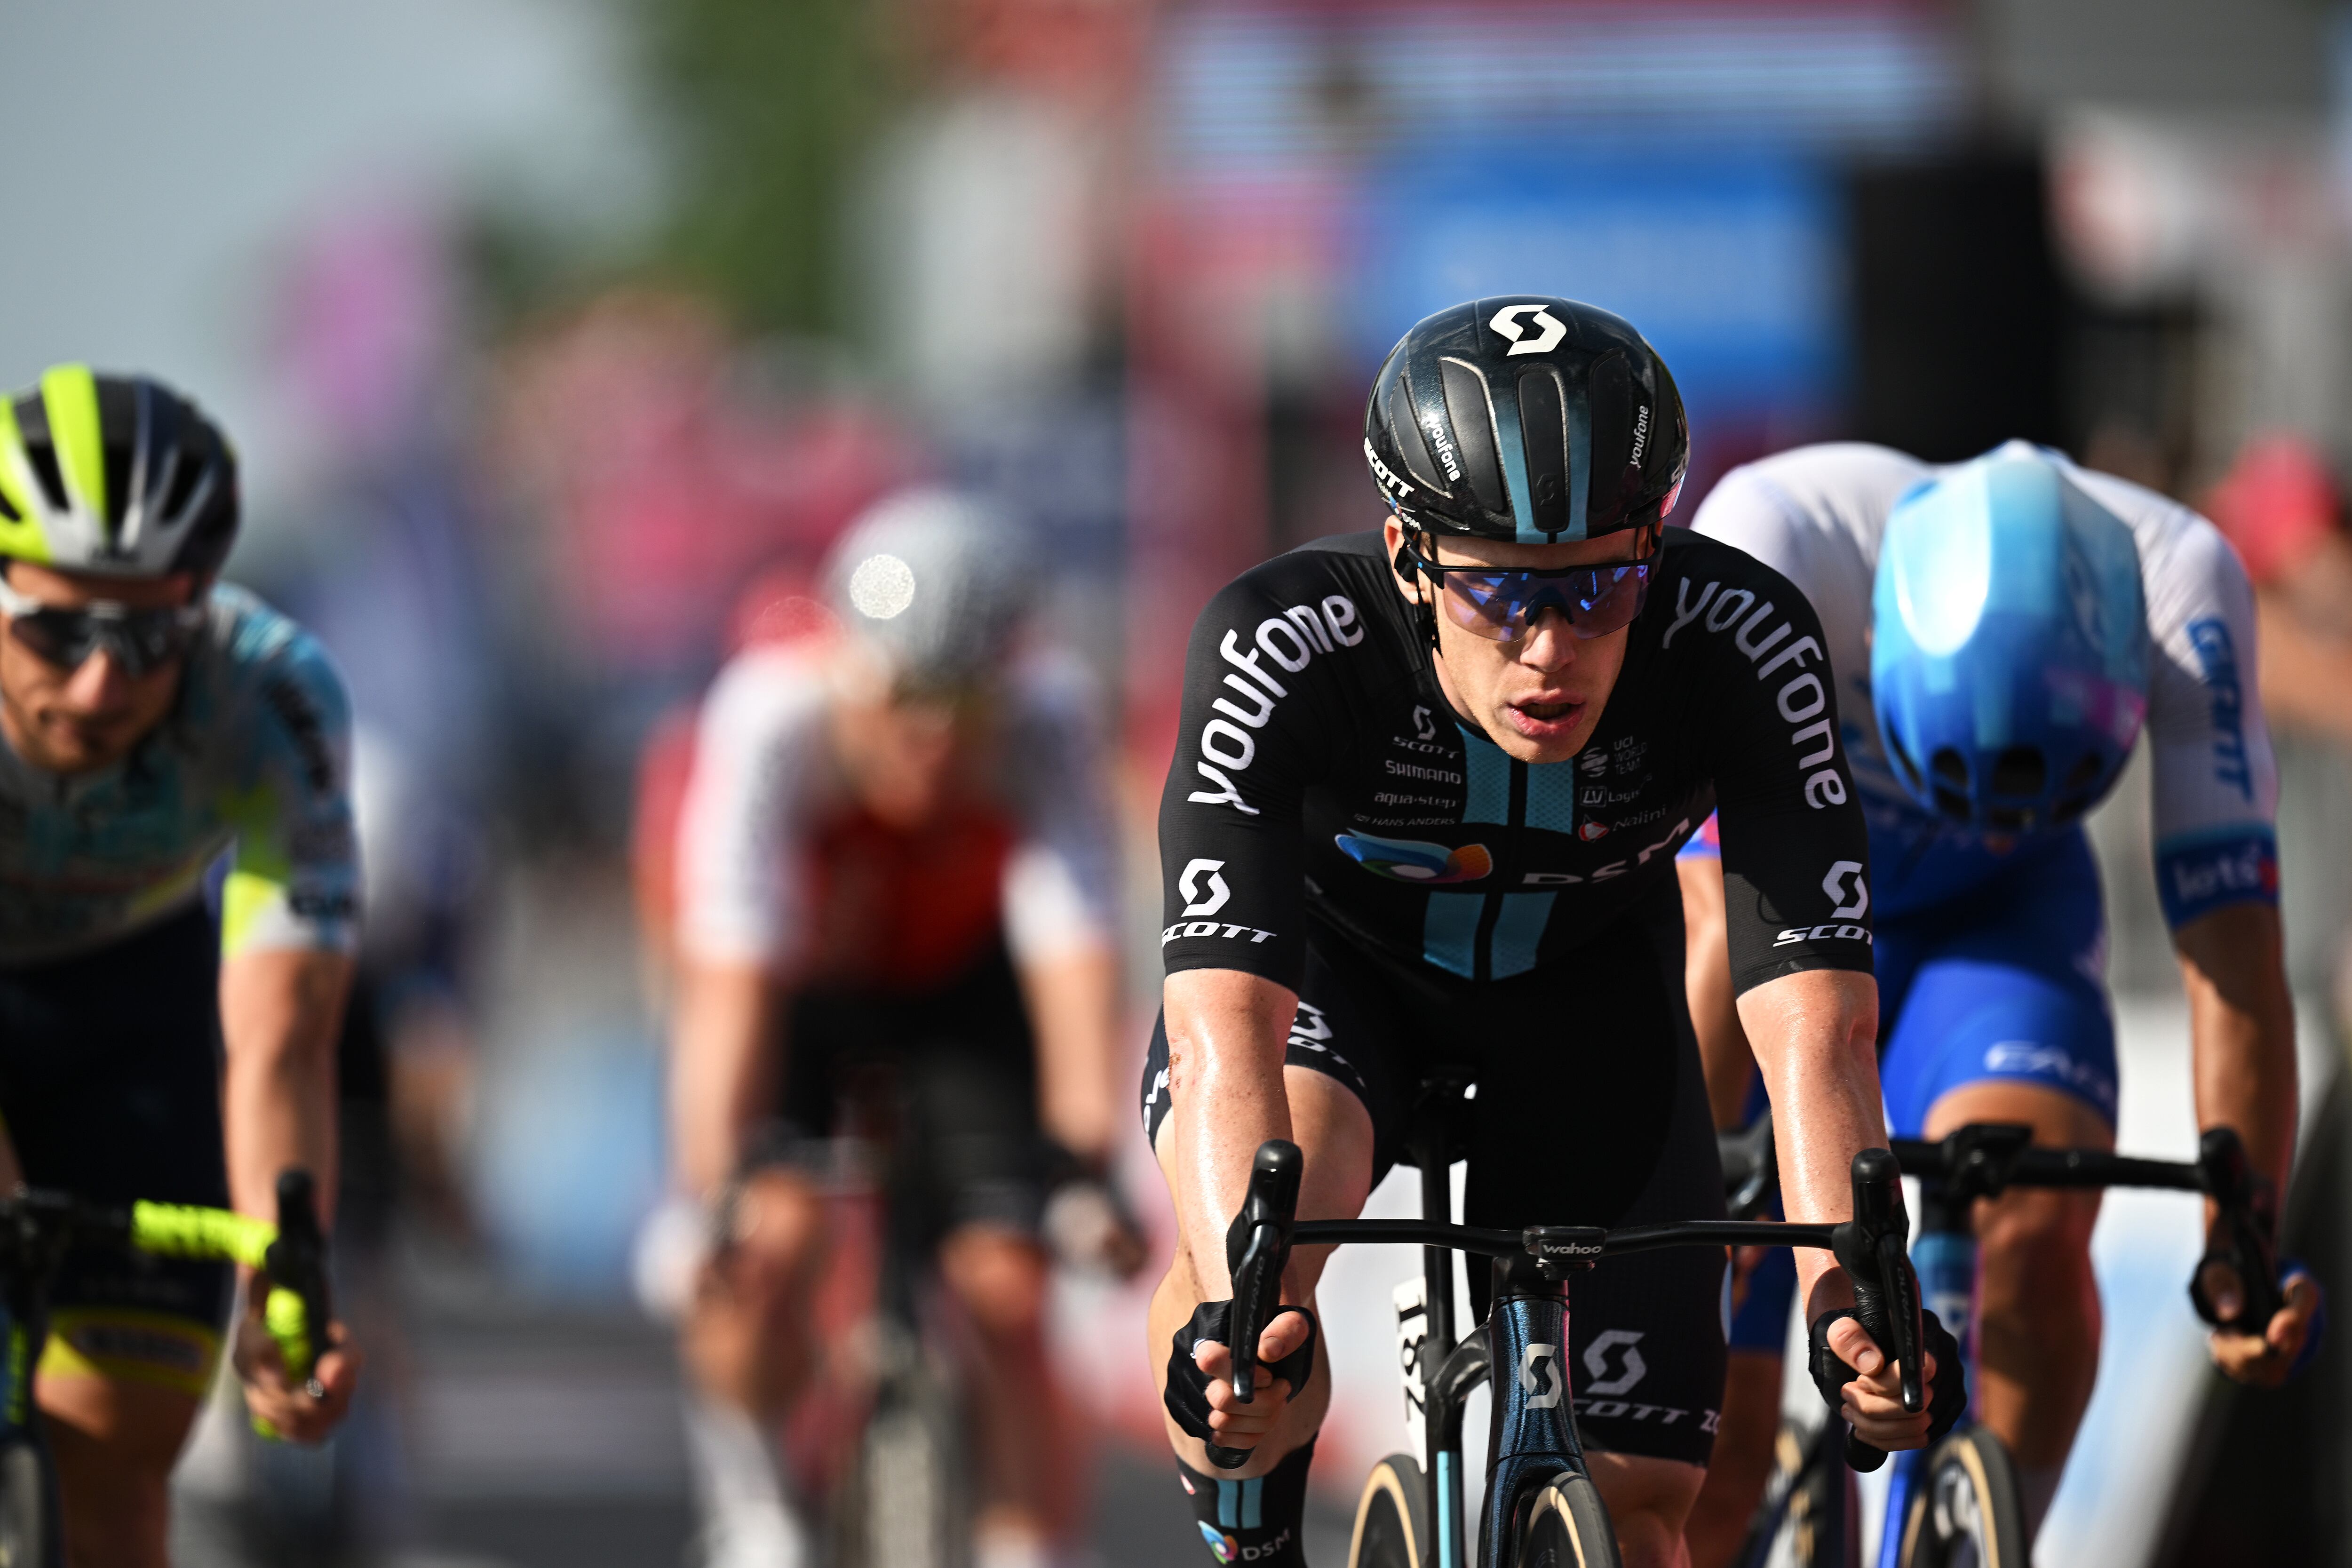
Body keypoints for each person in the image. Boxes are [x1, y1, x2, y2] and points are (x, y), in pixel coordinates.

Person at [1144, 298, 1964, 1568]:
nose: (1551, 648)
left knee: (1640, 1510)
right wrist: (1237, 1305)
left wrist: (1855, 1294)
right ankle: (1248, 1511)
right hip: (1337, 977)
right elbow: (1218, 1033)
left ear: (1657, 541)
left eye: (1600, 587)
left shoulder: (1744, 644)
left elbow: (1820, 1028)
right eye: (1498, 594)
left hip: (1587, 991)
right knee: (1276, 1237)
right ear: (1409, 552)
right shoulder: (1283, 642)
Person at [1674, 441, 2323, 1564]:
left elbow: (2235, 963)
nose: (1982, 809)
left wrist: (2241, 1242)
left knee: (2030, 1209)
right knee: (1708, 1454)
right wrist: (1677, 1202)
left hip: (2000, 911)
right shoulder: (1773, 544)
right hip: (1779, 906)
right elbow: (1704, 935)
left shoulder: (2182, 590)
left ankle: (1981, 1535)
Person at [657, 487, 1139, 1568]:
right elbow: (729, 983)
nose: (929, 737)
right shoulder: (770, 716)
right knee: (762, 1243)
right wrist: (713, 1187)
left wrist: (1087, 1164)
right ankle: (755, 1502)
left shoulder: (1050, 716)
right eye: (901, 701)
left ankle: (1033, 1548)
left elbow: (1074, 954)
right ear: (842, 665)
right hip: (804, 989)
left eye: (961, 709)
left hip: (961, 992)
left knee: (1009, 1285)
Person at [0, 365, 363, 1566]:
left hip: (126, 999)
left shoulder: (271, 694)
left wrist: (285, 1274)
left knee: (127, 1428)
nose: (99, 683)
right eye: (56, 631)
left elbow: (282, 1035)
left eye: (146, 634)